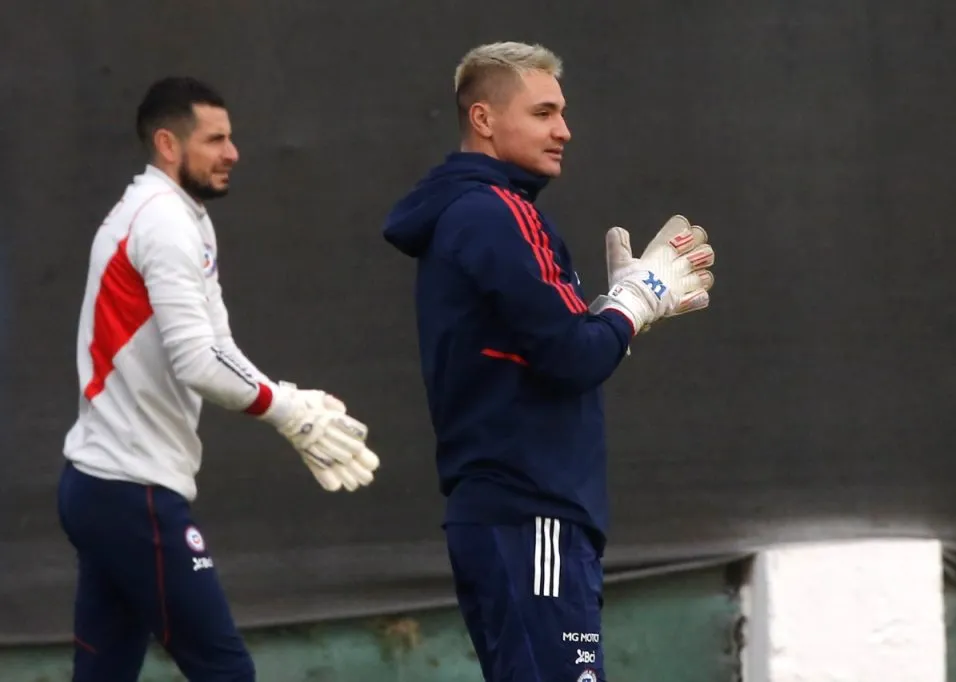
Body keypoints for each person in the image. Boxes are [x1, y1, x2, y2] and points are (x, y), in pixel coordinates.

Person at [382, 42, 716, 682]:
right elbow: (573, 357)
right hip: (533, 515)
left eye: (561, 113)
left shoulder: (473, 214)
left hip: (517, 515)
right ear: (484, 119)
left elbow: (545, 346)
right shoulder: (499, 213)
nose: (563, 129)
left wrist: (613, 315)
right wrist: (634, 303)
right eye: (543, 113)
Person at [58, 76, 380, 682]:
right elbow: (199, 362)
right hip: (132, 493)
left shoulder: (181, 216)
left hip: (101, 486)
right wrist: (286, 411)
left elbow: (218, 345)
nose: (233, 153)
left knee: (103, 674)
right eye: (216, 140)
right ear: (167, 145)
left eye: (231, 138)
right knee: (226, 672)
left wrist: (287, 398)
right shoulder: (164, 223)